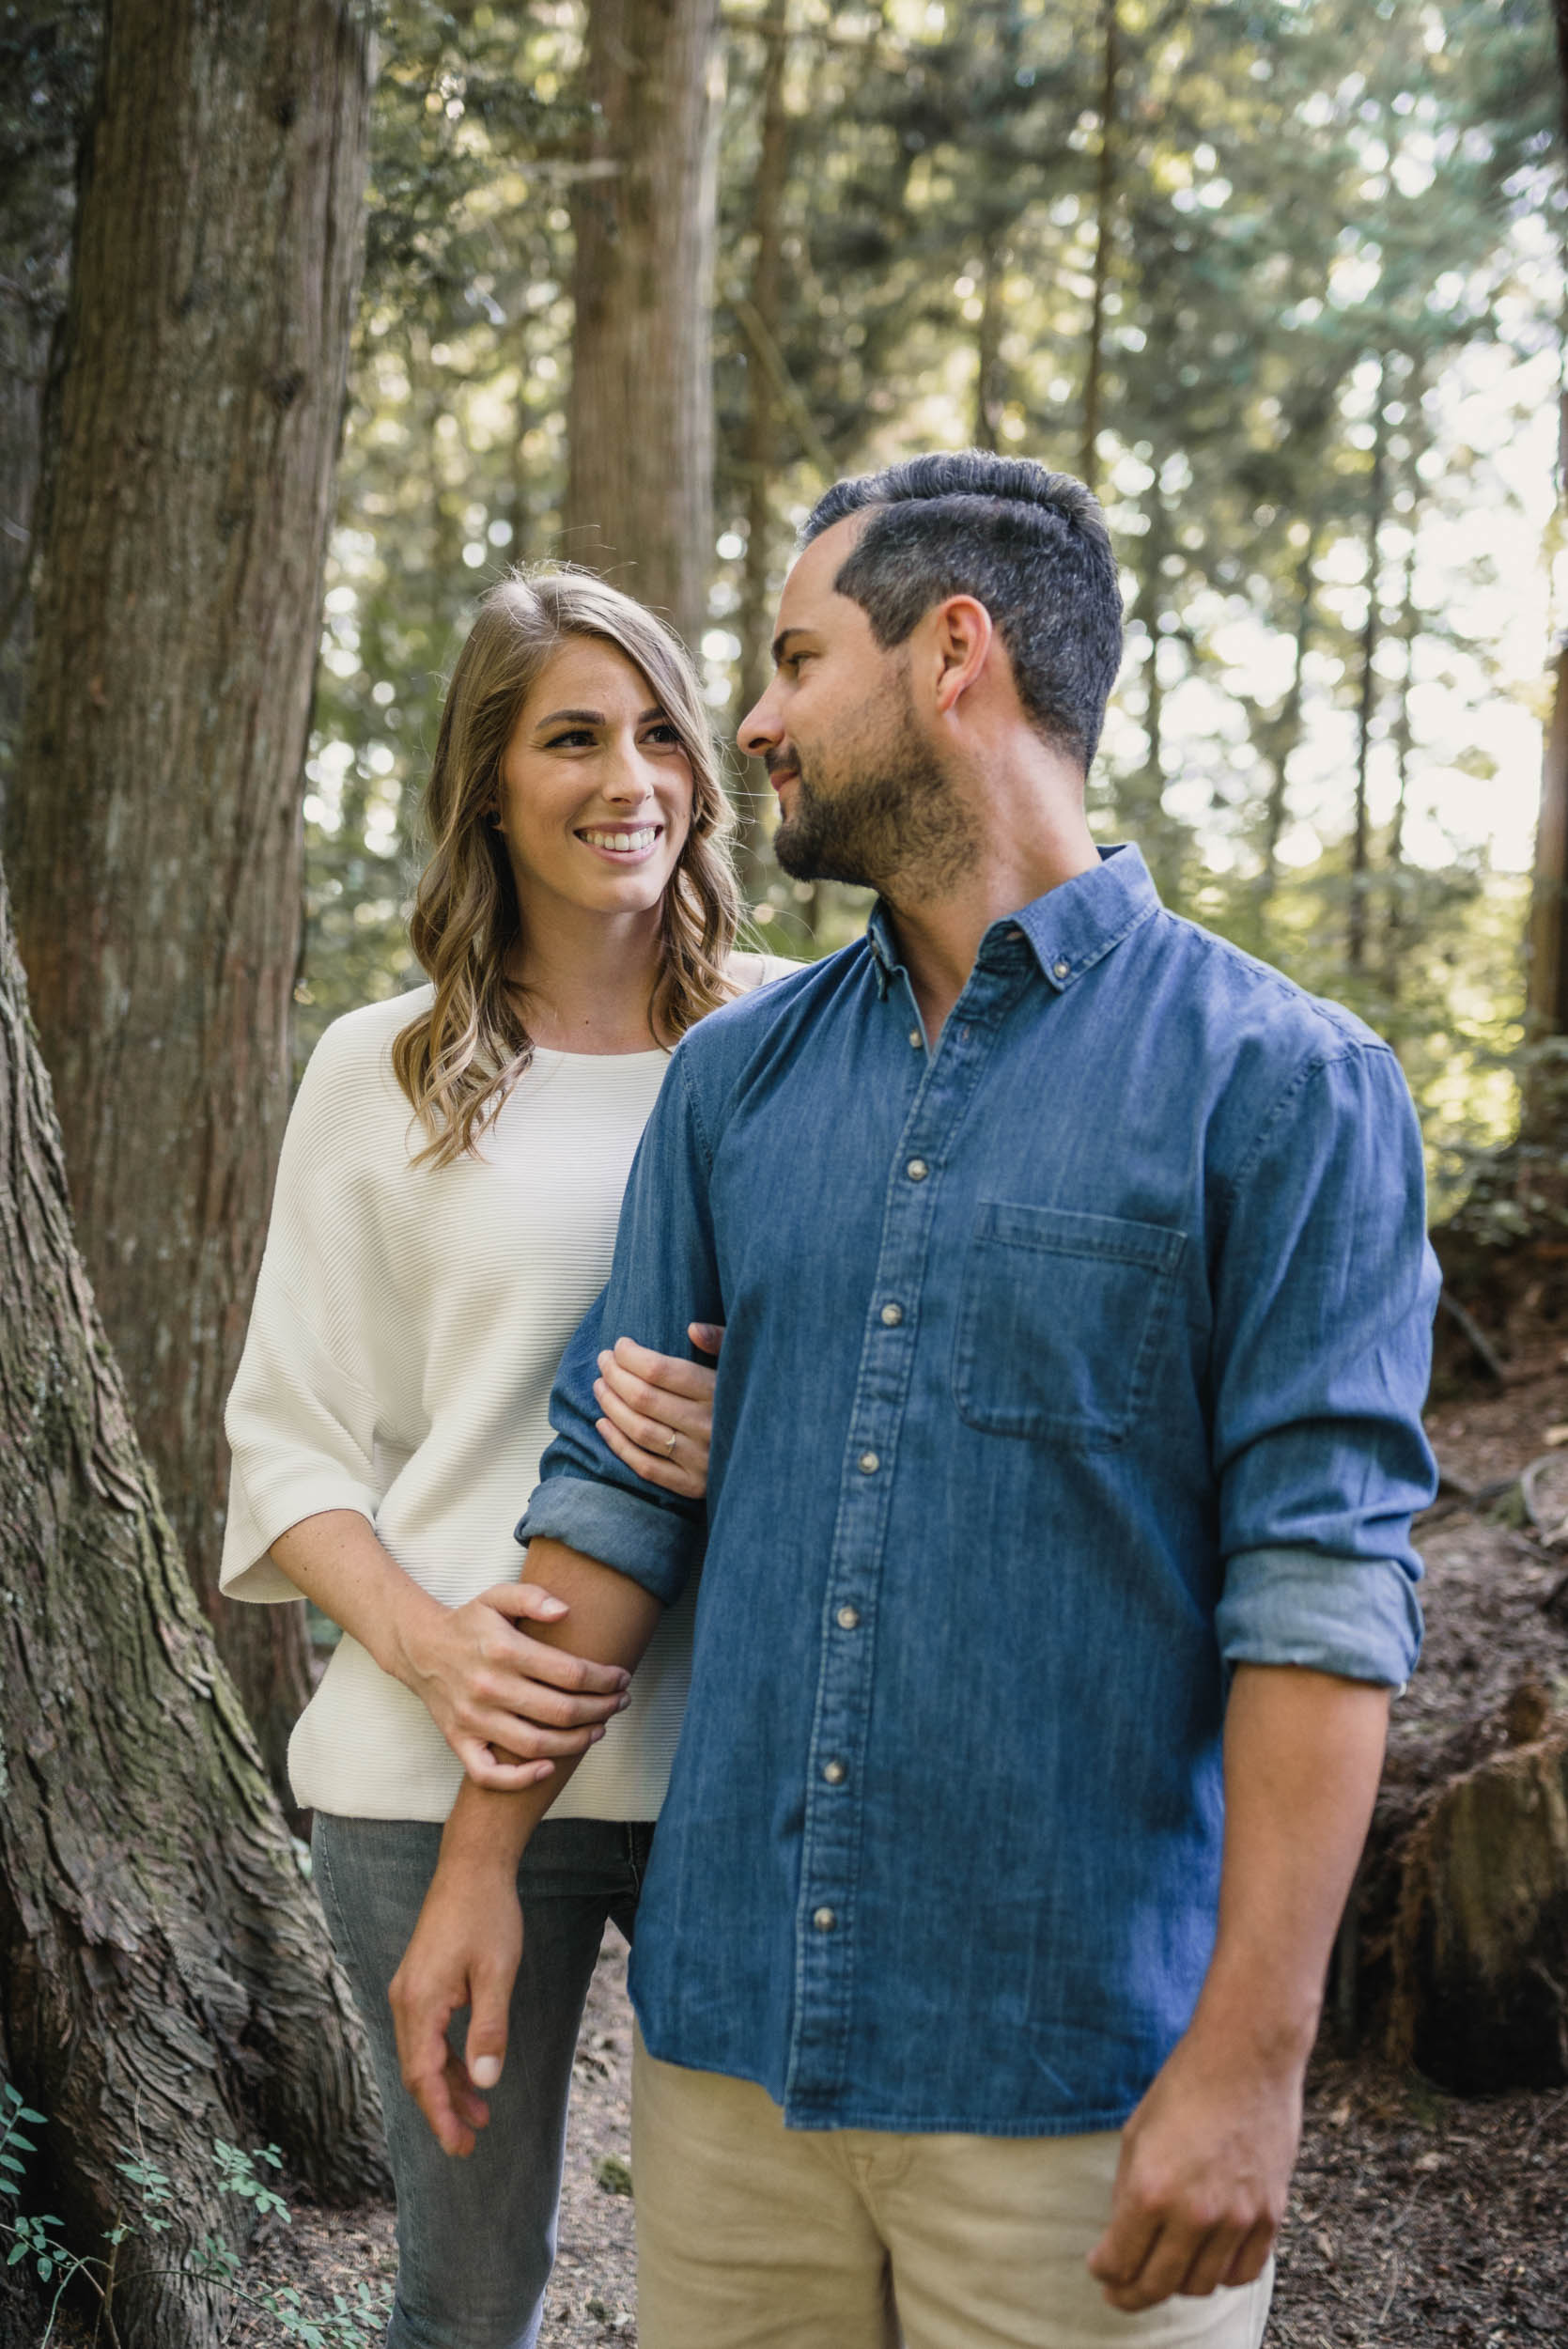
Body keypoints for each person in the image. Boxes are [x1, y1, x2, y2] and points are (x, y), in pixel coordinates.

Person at [389, 454, 1438, 2349]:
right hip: (732, 2077)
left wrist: (1253, 2060)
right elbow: (610, 1501)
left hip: (1075, 2086)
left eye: (796, 658)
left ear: (953, 653)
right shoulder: (735, 1089)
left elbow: (1318, 1598)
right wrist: (481, 1861)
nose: (760, 721)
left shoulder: (1279, 1086)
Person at [219, 568, 793, 2349]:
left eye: (656, 736)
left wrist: (754, 1423)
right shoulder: (375, 1069)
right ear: (486, 778)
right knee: (467, 2298)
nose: (629, 778)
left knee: (771, 2295)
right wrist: (431, 1644)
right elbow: (286, 1437)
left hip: (747, 1757)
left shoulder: (799, 1035)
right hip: (435, 1775)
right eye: (570, 738)